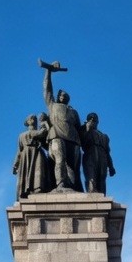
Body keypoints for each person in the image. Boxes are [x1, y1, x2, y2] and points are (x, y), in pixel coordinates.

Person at [40, 60, 82, 192]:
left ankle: (72, 187)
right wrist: (48, 71)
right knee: (60, 160)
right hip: (56, 135)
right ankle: (61, 184)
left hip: (73, 139)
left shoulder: (73, 112)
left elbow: (80, 128)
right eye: (61, 95)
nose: (62, 96)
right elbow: (47, 90)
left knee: (73, 166)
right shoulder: (52, 105)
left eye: (65, 95)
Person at [12, 114, 54, 200]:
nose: (33, 120)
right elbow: (19, 151)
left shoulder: (37, 132)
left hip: (37, 152)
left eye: (34, 118)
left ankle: (38, 188)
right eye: (31, 119)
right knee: (28, 171)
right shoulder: (22, 135)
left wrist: (45, 124)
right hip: (26, 155)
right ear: (27, 122)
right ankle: (26, 190)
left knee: (38, 168)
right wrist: (15, 164)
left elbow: (43, 133)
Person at [80, 112, 115, 195]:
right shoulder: (83, 130)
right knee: (91, 176)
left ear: (97, 121)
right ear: (87, 121)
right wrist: (87, 129)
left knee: (102, 178)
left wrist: (111, 167)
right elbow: (82, 144)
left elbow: (107, 152)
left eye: (94, 118)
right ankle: (91, 194)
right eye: (90, 118)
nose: (92, 120)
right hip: (89, 155)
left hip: (102, 157)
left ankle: (102, 196)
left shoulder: (104, 136)